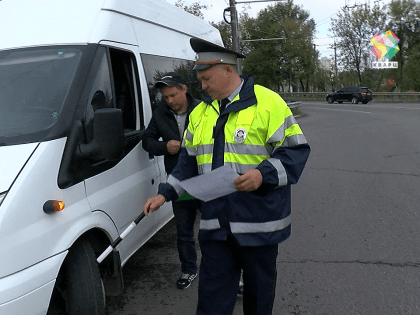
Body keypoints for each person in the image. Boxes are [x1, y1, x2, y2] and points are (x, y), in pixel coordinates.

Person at [143, 38, 311, 315]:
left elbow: (295, 153)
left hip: (259, 224)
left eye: (207, 78)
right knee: (212, 300)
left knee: (258, 300)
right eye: (200, 80)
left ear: (228, 71)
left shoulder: (269, 103)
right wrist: (165, 193)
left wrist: (261, 174)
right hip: (216, 225)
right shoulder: (200, 112)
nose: (203, 86)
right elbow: (187, 161)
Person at [142, 71, 201, 289]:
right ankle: (189, 270)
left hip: (206, 180)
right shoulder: (160, 114)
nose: (170, 101)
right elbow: (146, 141)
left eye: (174, 95)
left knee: (218, 230)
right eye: (166, 97)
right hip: (178, 182)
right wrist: (164, 147)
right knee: (184, 232)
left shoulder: (203, 109)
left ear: (184, 89)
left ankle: (233, 272)